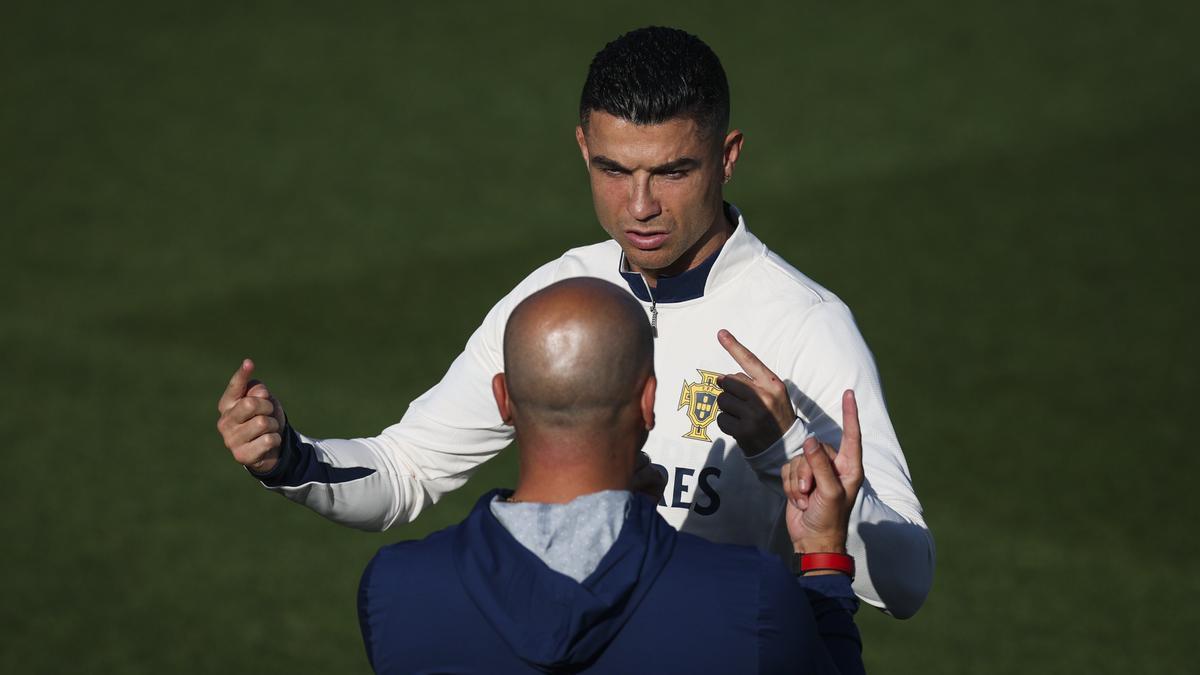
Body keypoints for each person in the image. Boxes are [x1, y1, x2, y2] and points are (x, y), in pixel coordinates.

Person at [216, 26, 933, 618]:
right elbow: (406, 469)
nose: (640, 206)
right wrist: (291, 461)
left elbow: (906, 579)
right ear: (584, 149)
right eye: (615, 170)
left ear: (728, 157)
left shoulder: (804, 326)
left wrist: (783, 451)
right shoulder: (558, 297)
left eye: (672, 171)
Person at [358, 278, 865, 674]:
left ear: (503, 400)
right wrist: (822, 557)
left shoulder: (396, 589)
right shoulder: (750, 597)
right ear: (650, 403)